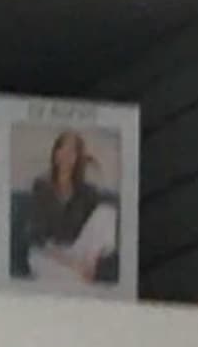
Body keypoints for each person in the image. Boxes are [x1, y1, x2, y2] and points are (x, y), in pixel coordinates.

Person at [12, 124, 121, 289]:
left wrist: (97, 170)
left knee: (108, 212)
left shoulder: (86, 191)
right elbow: (37, 237)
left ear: (78, 157)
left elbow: (100, 223)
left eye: (72, 151)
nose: (66, 155)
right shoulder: (42, 186)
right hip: (46, 253)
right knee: (74, 282)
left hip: (75, 250)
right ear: (55, 153)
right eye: (62, 148)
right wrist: (73, 264)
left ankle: (88, 268)